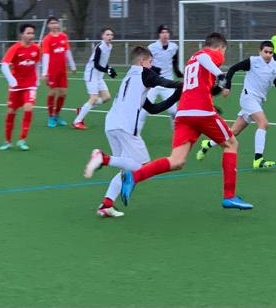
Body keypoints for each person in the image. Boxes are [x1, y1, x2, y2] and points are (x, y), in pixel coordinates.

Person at [117, 32, 254, 211]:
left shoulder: (191, 61)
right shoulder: (209, 54)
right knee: (231, 144)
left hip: (184, 113)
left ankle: (134, 177)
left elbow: (201, 85)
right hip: (202, 112)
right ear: (220, 47)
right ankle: (229, 196)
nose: (223, 55)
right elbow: (205, 57)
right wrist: (220, 74)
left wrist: (217, 87)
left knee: (177, 160)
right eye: (223, 51)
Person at [82, 46, 183, 217]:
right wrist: (181, 85)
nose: (151, 66)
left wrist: (176, 95)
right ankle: (103, 158)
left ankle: (106, 205)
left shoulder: (130, 77)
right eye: (150, 62)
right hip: (126, 126)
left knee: (126, 169)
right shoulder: (144, 72)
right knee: (143, 168)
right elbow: (162, 81)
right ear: (142, 61)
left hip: (111, 124)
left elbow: (153, 108)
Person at [197, 40, 276, 168]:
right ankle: (258, 159)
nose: (268, 55)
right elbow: (233, 69)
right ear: (260, 51)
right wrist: (227, 86)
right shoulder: (253, 61)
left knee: (233, 132)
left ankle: (207, 144)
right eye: (265, 52)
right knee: (263, 123)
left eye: (271, 53)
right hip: (248, 97)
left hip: (258, 102)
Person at [0, 23, 42, 151]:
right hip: (16, 86)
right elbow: (4, 65)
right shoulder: (15, 48)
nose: (31, 36)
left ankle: (22, 139)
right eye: (28, 33)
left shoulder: (36, 48)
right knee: (11, 112)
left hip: (30, 84)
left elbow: (37, 64)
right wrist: (12, 80)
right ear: (22, 34)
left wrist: (37, 79)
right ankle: (7, 141)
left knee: (28, 108)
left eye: (32, 33)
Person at [72, 27, 117, 130]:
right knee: (94, 98)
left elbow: (104, 62)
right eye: (107, 34)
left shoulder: (110, 46)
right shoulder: (100, 47)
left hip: (99, 76)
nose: (110, 36)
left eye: (111, 35)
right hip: (91, 74)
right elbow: (96, 65)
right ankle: (77, 121)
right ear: (102, 36)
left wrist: (109, 69)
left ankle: (82, 109)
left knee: (106, 97)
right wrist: (107, 71)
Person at [142, 25, 183, 125]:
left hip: (168, 83)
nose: (165, 34)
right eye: (162, 32)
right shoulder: (152, 47)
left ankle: (176, 134)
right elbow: (145, 63)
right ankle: (135, 132)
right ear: (159, 34)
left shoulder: (174, 47)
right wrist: (154, 69)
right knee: (142, 112)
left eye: (167, 32)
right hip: (153, 83)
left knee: (174, 112)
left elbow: (175, 62)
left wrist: (179, 73)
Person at [40, 16, 76, 127]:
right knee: (53, 92)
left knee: (63, 92)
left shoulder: (63, 36)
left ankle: (57, 115)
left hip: (62, 70)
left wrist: (72, 65)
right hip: (52, 71)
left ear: (59, 24)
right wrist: (44, 73)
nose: (54, 25)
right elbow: (46, 56)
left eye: (56, 22)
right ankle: (51, 116)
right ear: (48, 25)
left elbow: (67, 51)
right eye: (52, 23)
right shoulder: (47, 39)